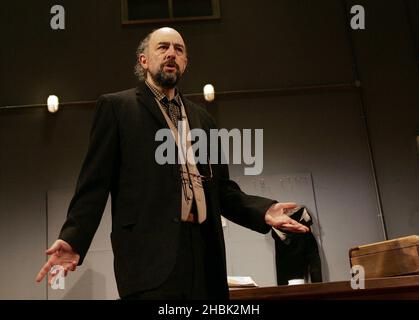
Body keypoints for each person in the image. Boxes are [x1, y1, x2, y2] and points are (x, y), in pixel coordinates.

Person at [35, 27, 309, 300]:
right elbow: (94, 184)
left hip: (204, 258)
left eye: (179, 50)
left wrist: (264, 210)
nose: (171, 54)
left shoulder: (203, 119)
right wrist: (74, 238)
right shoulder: (117, 107)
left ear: (185, 63)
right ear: (143, 60)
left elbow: (222, 190)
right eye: (162, 47)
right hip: (148, 261)